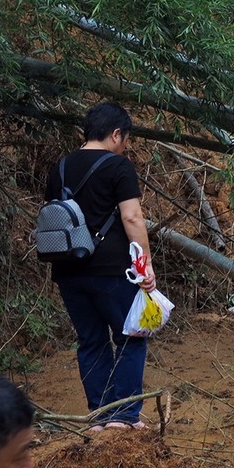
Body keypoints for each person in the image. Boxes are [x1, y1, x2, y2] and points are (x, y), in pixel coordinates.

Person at [45, 102, 154, 431]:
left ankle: (99, 416)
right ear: (116, 134)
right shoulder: (118, 167)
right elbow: (132, 217)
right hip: (111, 270)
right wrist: (145, 266)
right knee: (130, 339)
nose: (125, 146)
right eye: (125, 139)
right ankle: (124, 416)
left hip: (68, 270)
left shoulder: (59, 167)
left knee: (91, 341)